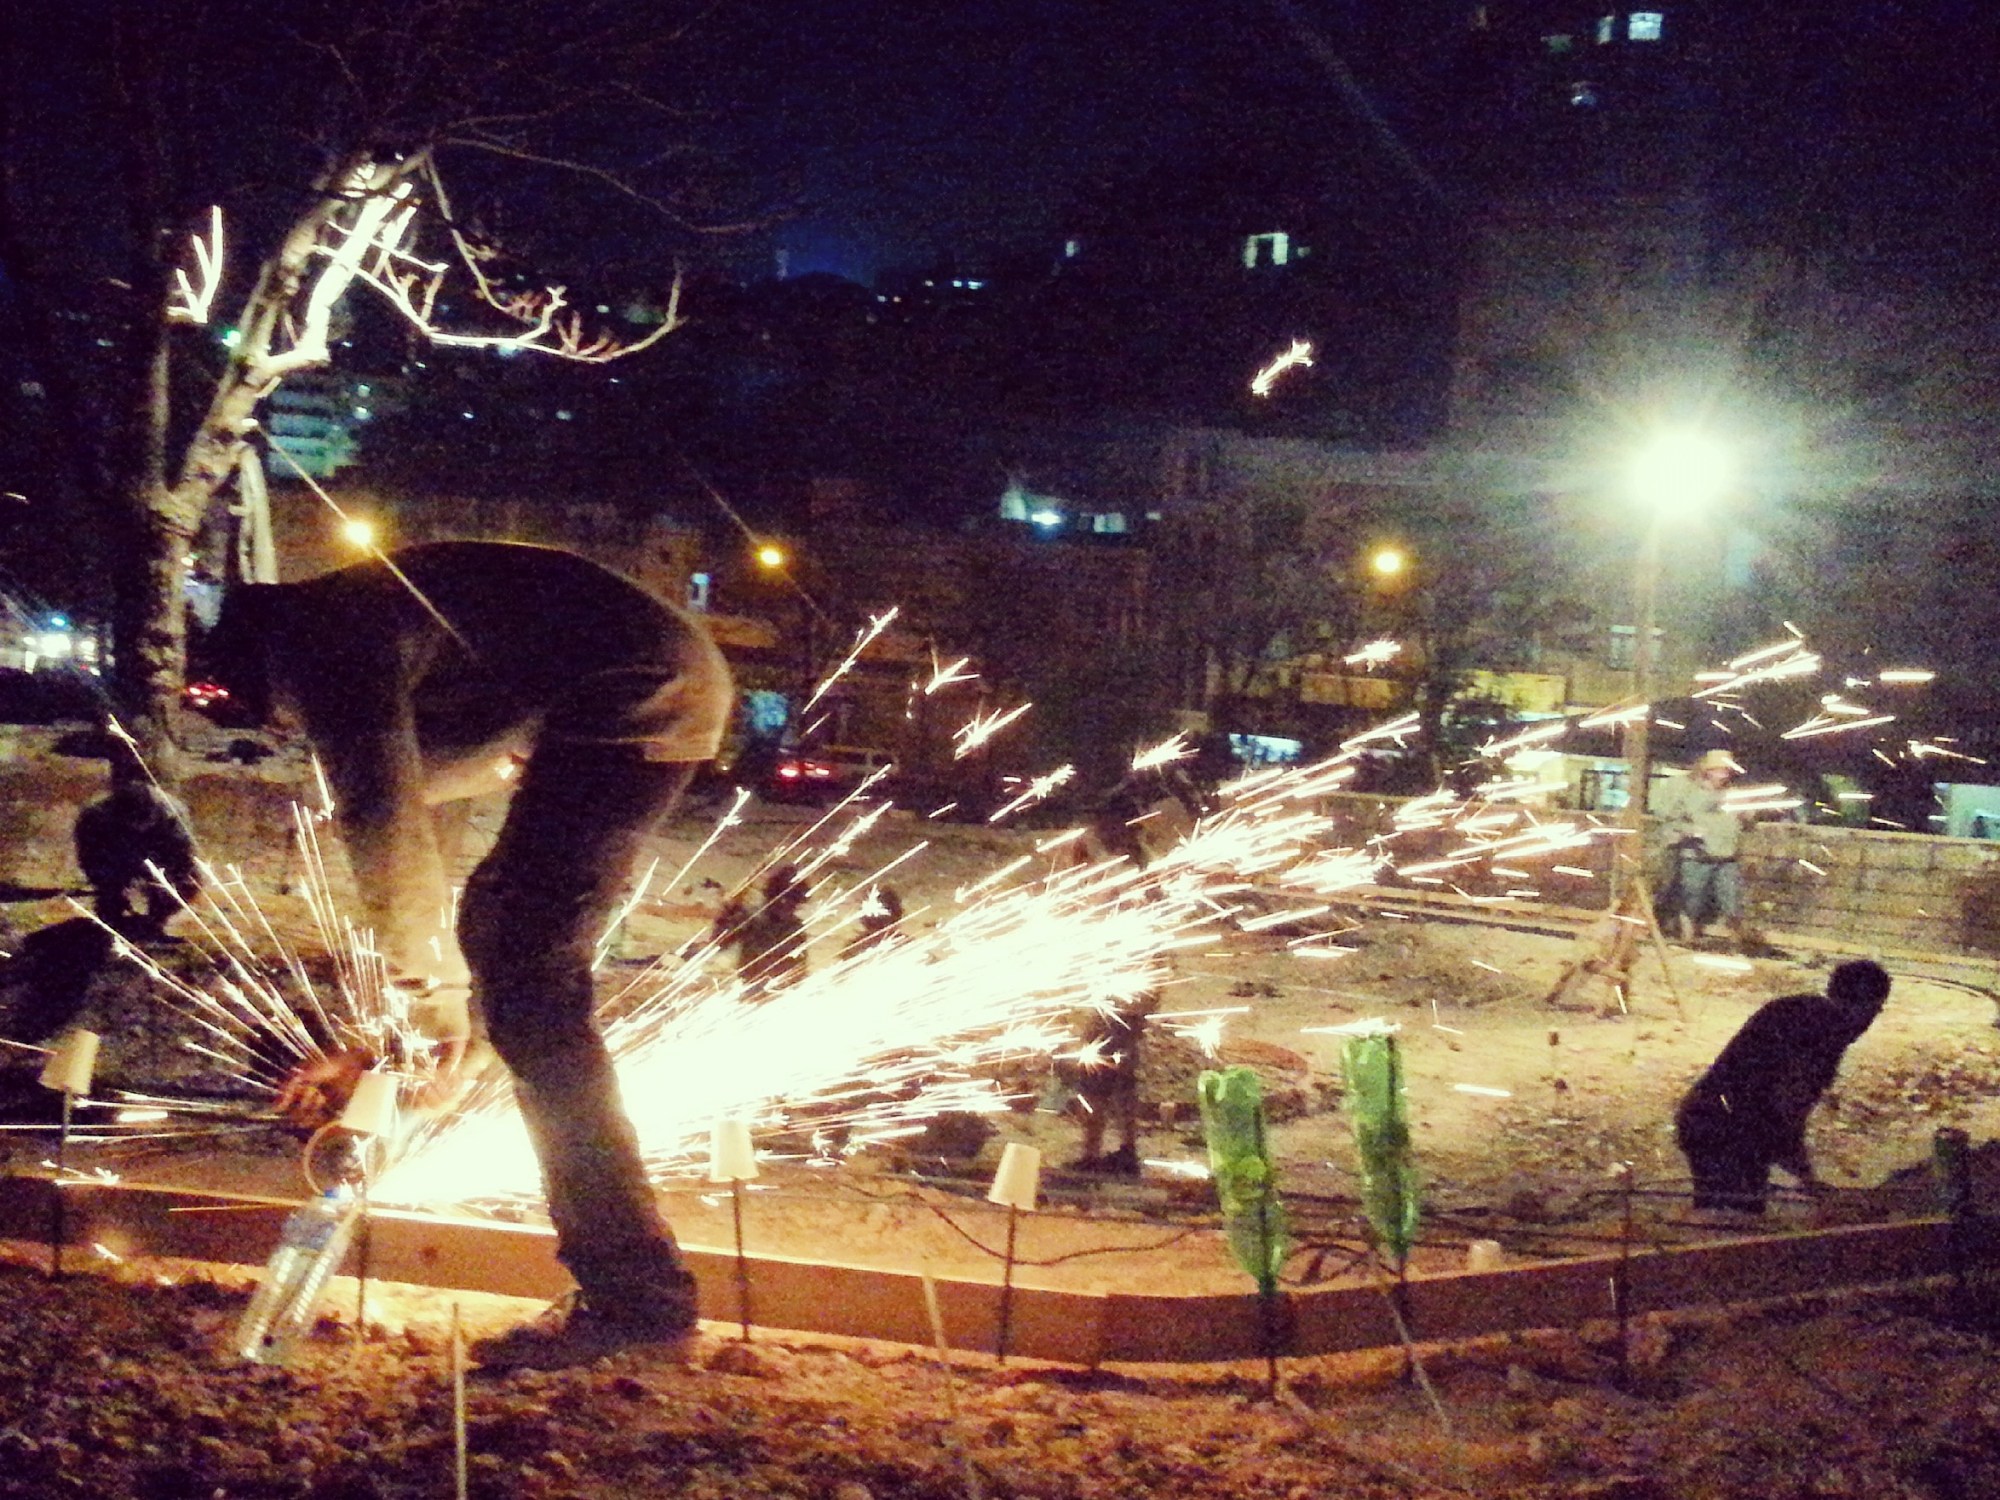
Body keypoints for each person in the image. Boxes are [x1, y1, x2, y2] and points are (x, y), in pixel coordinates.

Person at [202, 540, 734, 1366]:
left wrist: (436, 1000)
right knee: (507, 942)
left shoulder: (330, 644)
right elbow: (425, 848)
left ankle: (638, 1296)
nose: (293, 731)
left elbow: (382, 822)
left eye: (282, 718)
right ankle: (631, 1283)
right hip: (644, 680)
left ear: (268, 672)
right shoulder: (362, 626)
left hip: (637, 692)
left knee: (532, 977)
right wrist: (401, 1046)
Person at [1674, 959, 1892, 1213]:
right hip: (1724, 1125)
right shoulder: (1825, 1032)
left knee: (1723, 1213)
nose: (1869, 1023)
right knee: (1736, 1219)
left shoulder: (1800, 1010)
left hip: (1706, 1116)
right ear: (1863, 1006)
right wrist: (1806, 1176)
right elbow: (1785, 1108)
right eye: (1874, 1010)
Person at [72, 779, 201, 941]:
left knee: (187, 883)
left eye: (144, 821)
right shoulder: (94, 816)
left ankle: (157, 921)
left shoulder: (173, 814)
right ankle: (111, 919)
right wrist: (110, 887)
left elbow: (185, 860)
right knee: (108, 888)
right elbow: (90, 858)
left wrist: (166, 890)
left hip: (159, 851)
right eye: (134, 823)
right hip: (118, 852)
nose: (139, 827)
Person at [1651, 748, 1750, 947]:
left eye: (1727, 770)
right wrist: (1688, 831)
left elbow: (1747, 820)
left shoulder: (1734, 793)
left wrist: (1747, 812)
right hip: (1696, 855)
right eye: (1719, 769)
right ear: (1708, 770)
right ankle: (1688, 940)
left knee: (1733, 902)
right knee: (1691, 901)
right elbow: (1670, 818)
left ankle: (1737, 945)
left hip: (1726, 857)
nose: (1724, 774)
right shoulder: (1688, 792)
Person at [1058, 992, 1160, 1176]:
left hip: (1116, 1017)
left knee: (1095, 1088)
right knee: (1121, 1088)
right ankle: (1126, 1152)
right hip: (1125, 1016)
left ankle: (1093, 1156)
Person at [712, 864, 811, 996]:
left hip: (759, 992)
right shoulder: (791, 927)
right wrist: (731, 911)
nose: (786, 906)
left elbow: (719, 942)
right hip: (763, 993)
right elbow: (720, 942)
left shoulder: (753, 920)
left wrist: (730, 910)